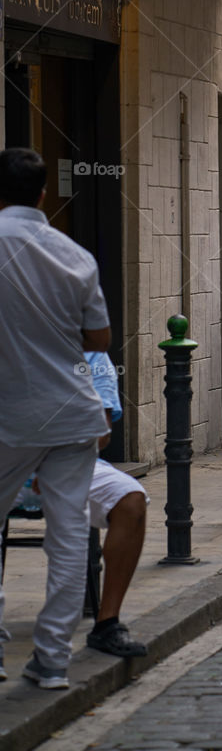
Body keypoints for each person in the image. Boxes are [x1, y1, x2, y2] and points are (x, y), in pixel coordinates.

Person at [0, 148, 110, 690]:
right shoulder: (74, 255)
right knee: (68, 538)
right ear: (44, 194)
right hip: (70, 409)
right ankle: (51, 661)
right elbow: (99, 339)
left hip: (7, 412)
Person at [81, 352, 148, 657]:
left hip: (69, 458)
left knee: (130, 499)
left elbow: (101, 432)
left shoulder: (91, 355)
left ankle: (107, 622)